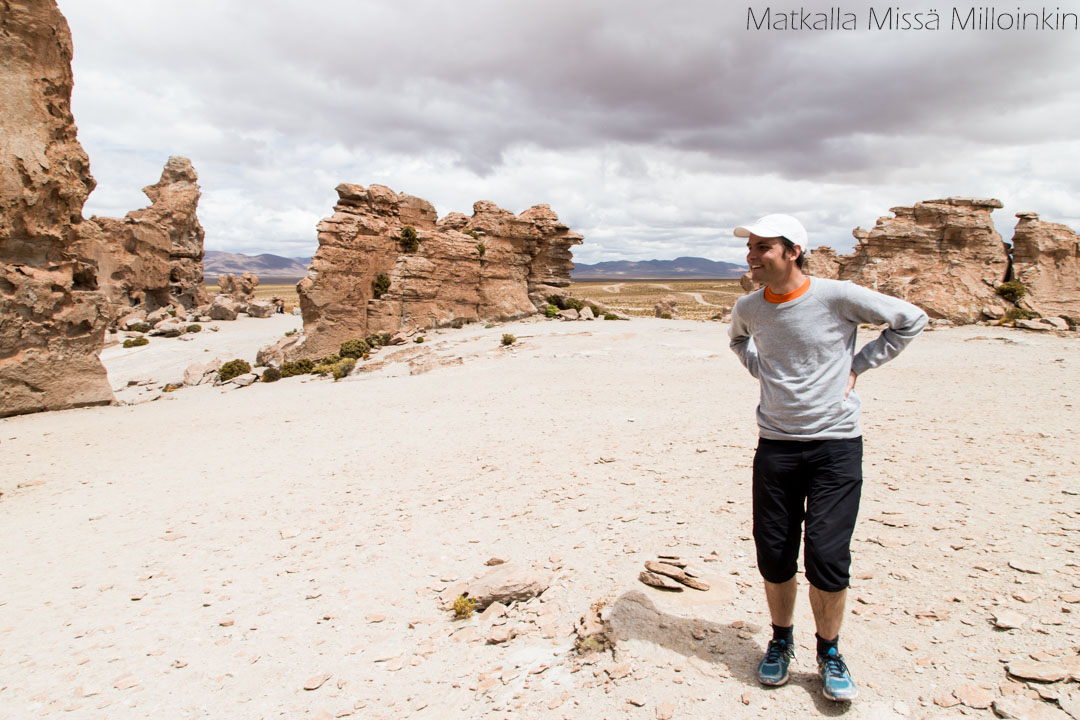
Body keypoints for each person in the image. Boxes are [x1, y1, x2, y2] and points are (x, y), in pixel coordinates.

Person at [728, 213, 927, 702]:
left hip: (836, 446)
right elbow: (737, 340)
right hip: (775, 445)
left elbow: (911, 320)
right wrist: (763, 371)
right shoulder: (749, 305)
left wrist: (858, 366)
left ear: (793, 250)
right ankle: (780, 641)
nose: (751, 255)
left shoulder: (837, 295)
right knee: (775, 554)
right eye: (750, 247)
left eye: (762, 247)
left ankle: (829, 650)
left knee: (828, 557)